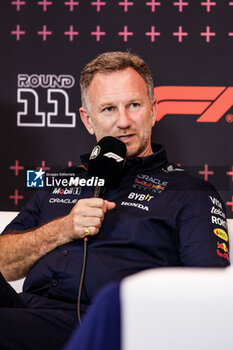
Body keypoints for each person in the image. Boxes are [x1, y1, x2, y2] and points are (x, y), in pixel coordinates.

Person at [0, 51, 229, 350]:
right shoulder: (60, 181)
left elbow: (209, 296)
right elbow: (4, 262)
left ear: (154, 110)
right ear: (87, 119)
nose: (123, 122)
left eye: (134, 105)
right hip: (24, 310)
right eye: (108, 109)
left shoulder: (191, 193)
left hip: (99, 323)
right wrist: (63, 229)